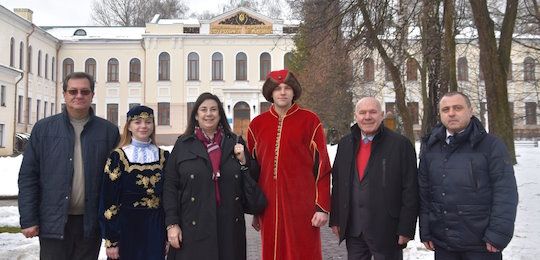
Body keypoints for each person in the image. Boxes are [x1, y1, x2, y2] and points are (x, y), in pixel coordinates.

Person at [18, 72, 120, 260]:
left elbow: (116, 181)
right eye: (73, 91)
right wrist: (28, 218)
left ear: (92, 95)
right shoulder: (44, 129)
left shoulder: (108, 131)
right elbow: (28, 176)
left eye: (84, 91)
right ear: (64, 94)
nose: (79, 95)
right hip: (52, 221)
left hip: (90, 224)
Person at [419, 91, 518, 260]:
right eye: (446, 109)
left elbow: (505, 192)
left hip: (481, 244)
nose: (451, 113)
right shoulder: (431, 147)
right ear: (440, 114)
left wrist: (498, 234)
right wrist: (426, 230)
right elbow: (424, 192)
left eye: (458, 108)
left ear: (470, 111)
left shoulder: (491, 146)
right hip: (443, 243)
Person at [246, 69, 332, 260]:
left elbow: (323, 167)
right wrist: (255, 209)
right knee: (272, 252)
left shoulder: (310, 121)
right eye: (277, 89)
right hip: (268, 206)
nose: (282, 92)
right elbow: (253, 172)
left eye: (287, 88)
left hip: (303, 205)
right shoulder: (257, 125)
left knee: (303, 253)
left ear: (294, 92)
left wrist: (322, 206)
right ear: (271, 93)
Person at [163, 92, 257, 260]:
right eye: (203, 109)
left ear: (220, 115)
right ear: (196, 116)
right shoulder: (183, 145)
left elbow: (251, 179)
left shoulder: (235, 142)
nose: (209, 114)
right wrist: (172, 224)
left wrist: (244, 161)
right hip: (192, 226)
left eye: (214, 109)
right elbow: (170, 186)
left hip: (229, 226)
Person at [329, 97, 418, 260]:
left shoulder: (400, 145)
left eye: (373, 112)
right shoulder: (345, 144)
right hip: (354, 229)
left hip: (387, 229)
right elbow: (338, 183)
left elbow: (410, 189)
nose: (367, 117)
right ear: (356, 116)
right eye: (362, 112)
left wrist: (406, 228)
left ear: (382, 115)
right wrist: (336, 218)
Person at [99, 105, 169, 260]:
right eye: (138, 122)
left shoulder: (164, 157)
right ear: (129, 126)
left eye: (148, 122)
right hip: (126, 228)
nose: (143, 126)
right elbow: (109, 199)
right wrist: (111, 240)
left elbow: (168, 197)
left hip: (155, 228)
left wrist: (166, 234)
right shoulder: (118, 157)